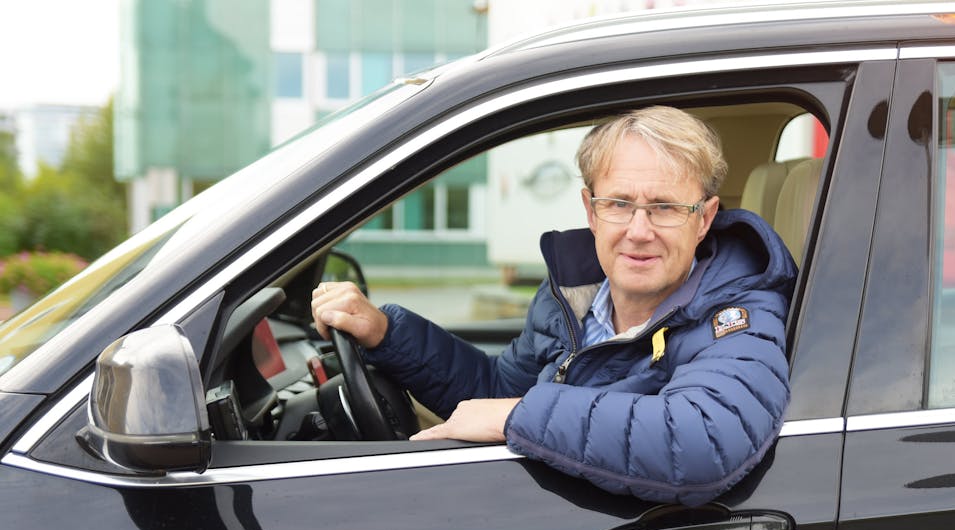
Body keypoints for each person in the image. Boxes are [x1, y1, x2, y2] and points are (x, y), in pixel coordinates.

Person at [311, 105, 798, 506]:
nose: (639, 230)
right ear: (590, 209)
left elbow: (702, 442)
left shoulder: (734, 313)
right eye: (619, 203)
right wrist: (386, 334)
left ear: (704, 218)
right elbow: (500, 388)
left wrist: (515, 417)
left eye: (665, 207)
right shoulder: (573, 293)